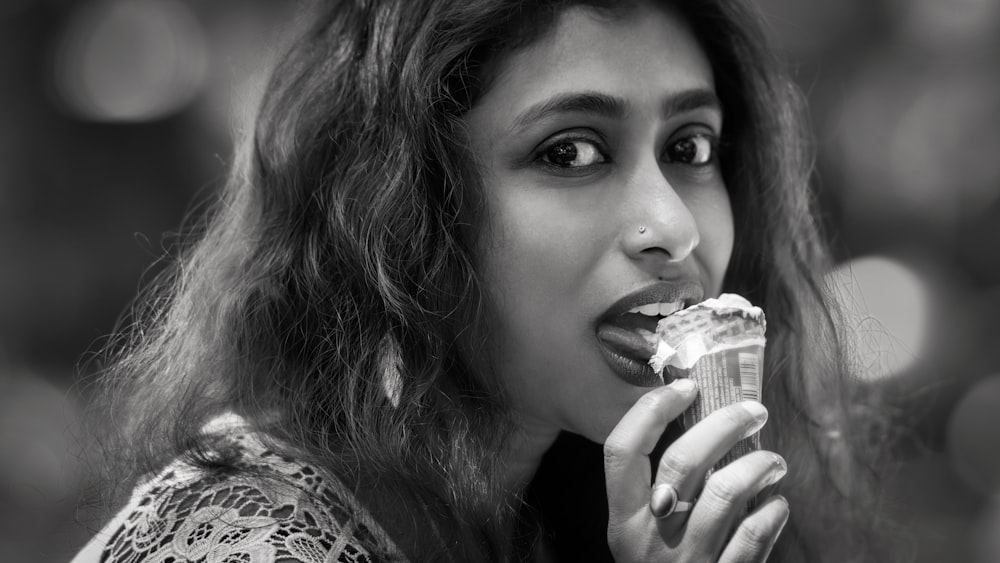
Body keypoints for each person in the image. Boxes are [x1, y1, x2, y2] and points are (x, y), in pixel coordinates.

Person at [74, 0, 898, 561]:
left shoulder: (569, 512)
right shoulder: (242, 542)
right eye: (569, 151)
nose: (675, 228)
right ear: (401, 211)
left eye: (690, 149)